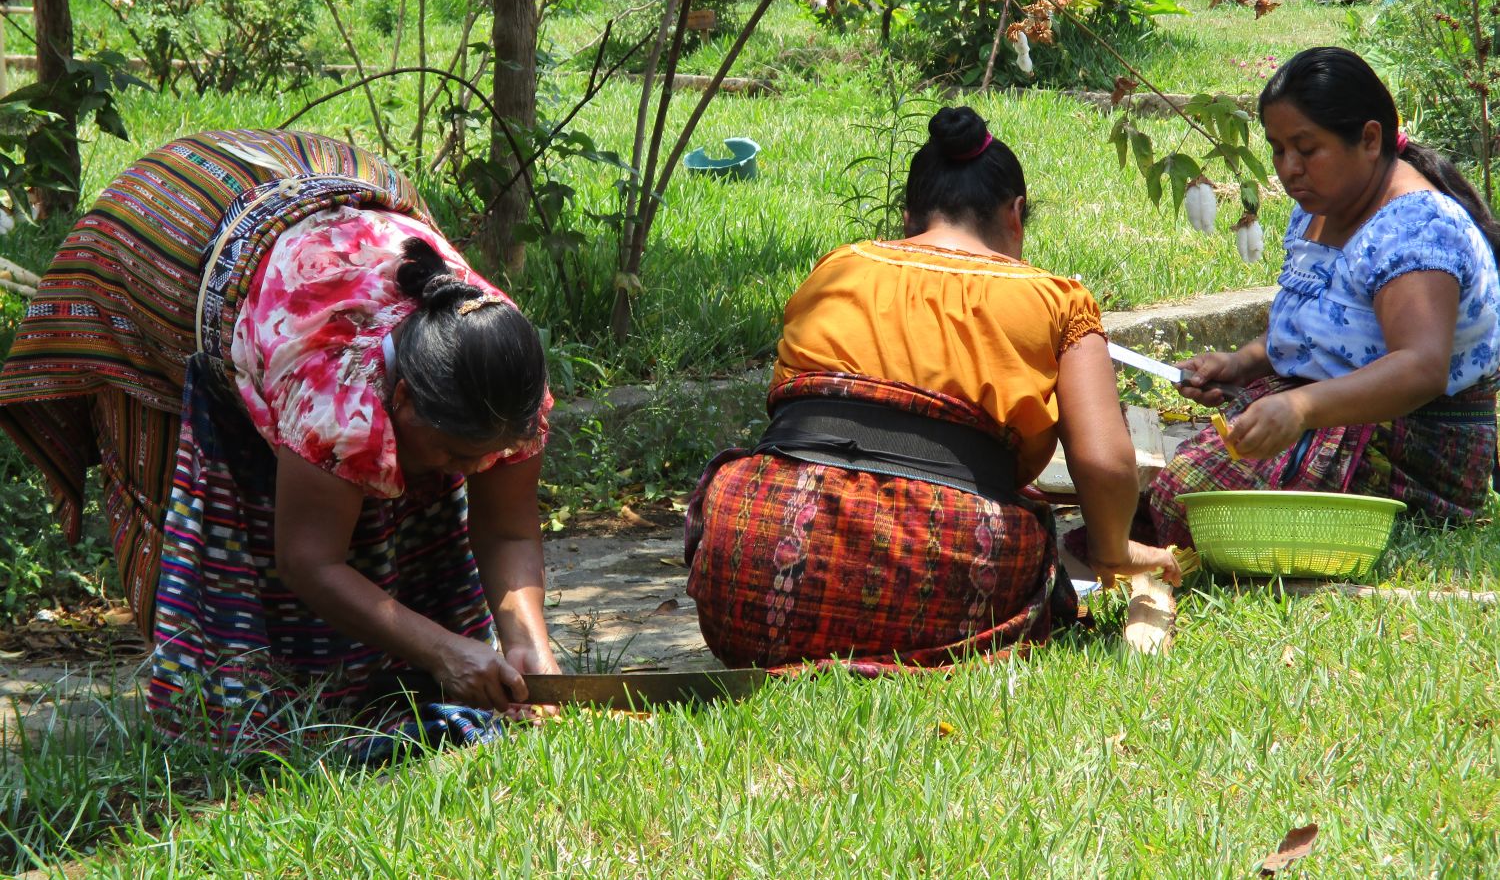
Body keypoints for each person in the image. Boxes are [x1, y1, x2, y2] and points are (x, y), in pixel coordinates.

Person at [0, 129, 559, 746]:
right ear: (399, 397)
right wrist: (441, 650)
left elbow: (508, 529)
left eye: (487, 455)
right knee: (194, 490)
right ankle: (214, 696)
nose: (469, 470)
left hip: (321, 211)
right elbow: (308, 560)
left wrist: (529, 643)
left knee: (370, 482)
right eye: (454, 453)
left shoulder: (505, 374)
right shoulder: (337, 390)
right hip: (165, 234)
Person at [684, 106, 1180, 671]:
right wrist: (1115, 551)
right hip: (948, 569)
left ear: (907, 219)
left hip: (752, 574)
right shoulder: (1057, 300)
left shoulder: (837, 268)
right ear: (1016, 215)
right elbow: (1105, 463)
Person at [1146, 47, 1500, 545]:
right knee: (1159, 487)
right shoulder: (1321, 206)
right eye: (1277, 149)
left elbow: (1421, 368)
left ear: (1370, 139)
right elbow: (1322, 331)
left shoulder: (1418, 228)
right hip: (1335, 411)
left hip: (1408, 442)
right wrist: (1242, 364)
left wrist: (1300, 408)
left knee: (1190, 507)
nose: (1288, 168)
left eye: (1306, 149)